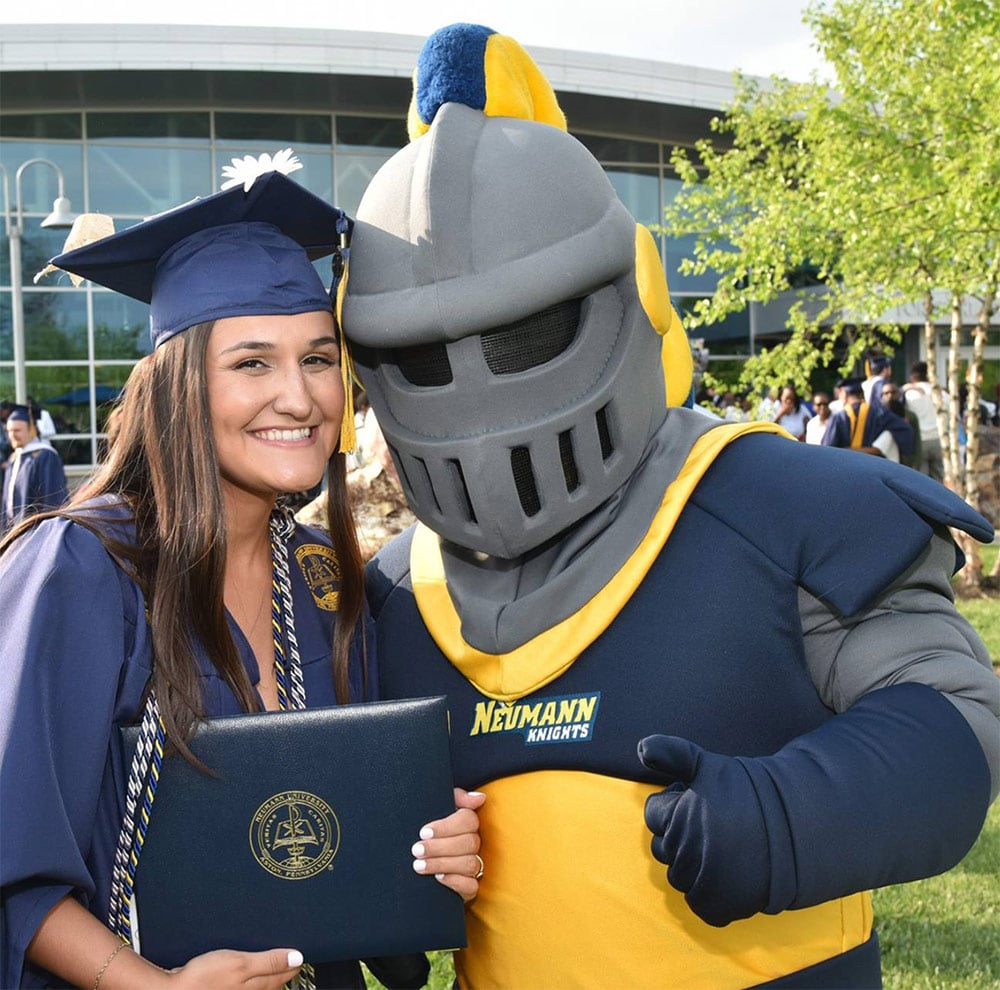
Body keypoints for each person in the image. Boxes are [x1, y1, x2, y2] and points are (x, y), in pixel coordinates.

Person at [341, 24, 998, 989]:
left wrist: (786, 813)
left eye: (523, 335)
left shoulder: (779, 502)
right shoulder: (398, 593)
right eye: (425, 359)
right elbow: (389, 858)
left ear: (631, 291)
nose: (479, 391)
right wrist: (390, 888)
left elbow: (952, 720)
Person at [0, 158, 483, 990]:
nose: (299, 397)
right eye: (252, 363)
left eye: (320, 358)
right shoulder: (83, 567)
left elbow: (347, 834)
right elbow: (16, 857)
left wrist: (436, 845)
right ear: (180, 384)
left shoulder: (328, 580)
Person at [2, 403, 68, 533]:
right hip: (14, 532)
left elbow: (53, 499)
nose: (12, 436)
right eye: (9, 431)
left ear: (31, 430)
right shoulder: (14, 458)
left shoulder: (45, 456)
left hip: (36, 532)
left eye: (17, 431)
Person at [821, 379, 914, 462]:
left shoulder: (838, 417)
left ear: (844, 393)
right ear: (862, 394)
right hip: (873, 466)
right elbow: (905, 428)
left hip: (846, 467)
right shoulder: (880, 413)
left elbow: (827, 449)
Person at [903, 360, 947, 481]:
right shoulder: (942, 394)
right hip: (939, 440)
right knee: (939, 480)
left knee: (921, 481)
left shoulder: (908, 394)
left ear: (912, 377)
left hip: (919, 441)